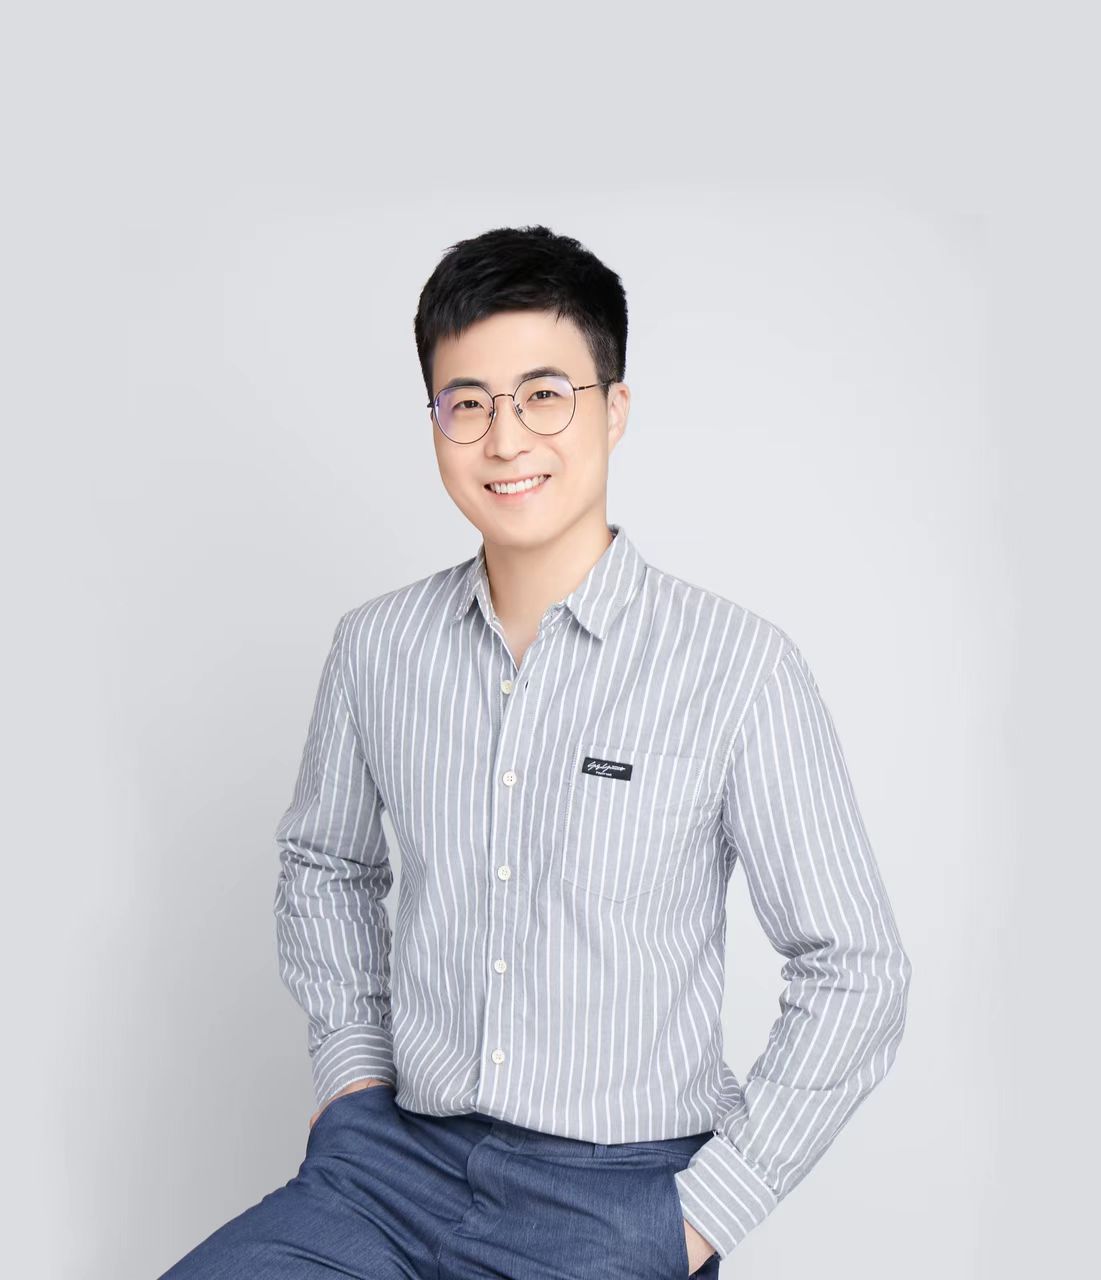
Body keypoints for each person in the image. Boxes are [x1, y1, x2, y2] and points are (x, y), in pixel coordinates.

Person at [159, 224, 912, 1279]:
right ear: (435, 423)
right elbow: (325, 863)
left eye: (544, 394)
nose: (505, 439)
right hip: (390, 1167)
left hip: (616, 1194)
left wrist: (699, 1218)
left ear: (614, 408)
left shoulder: (738, 666)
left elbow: (855, 967)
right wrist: (352, 1077)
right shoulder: (377, 648)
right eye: (467, 403)